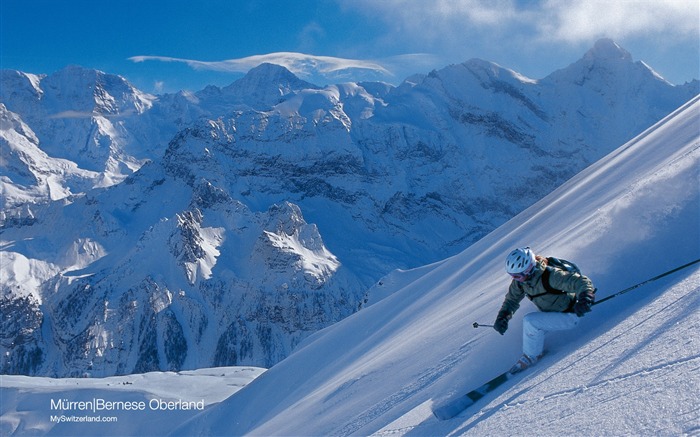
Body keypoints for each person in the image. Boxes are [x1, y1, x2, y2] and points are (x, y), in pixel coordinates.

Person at [494, 247, 596, 373]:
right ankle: (536, 349)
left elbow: (580, 281)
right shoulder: (521, 282)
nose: (515, 279)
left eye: (517, 276)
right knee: (530, 330)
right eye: (512, 276)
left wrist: (586, 297)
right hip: (553, 314)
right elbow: (511, 300)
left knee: (530, 321)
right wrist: (503, 316)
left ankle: (530, 357)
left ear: (529, 269)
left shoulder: (551, 276)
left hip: (570, 315)